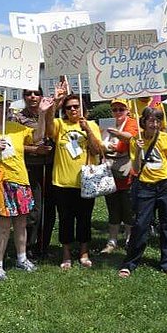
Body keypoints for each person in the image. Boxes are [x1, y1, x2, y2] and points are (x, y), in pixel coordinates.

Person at [0, 93, 51, 280]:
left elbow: (38, 137)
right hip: (0, 183)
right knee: (3, 225)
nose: (3, 107)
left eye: (5, 104)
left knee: (21, 223)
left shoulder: (17, 128)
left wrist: (41, 114)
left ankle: (21, 258)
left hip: (21, 181)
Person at [118, 107, 167, 278]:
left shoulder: (165, 138)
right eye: (151, 121)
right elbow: (137, 169)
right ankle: (130, 263)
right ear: (143, 122)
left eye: (157, 121)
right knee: (140, 225)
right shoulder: (135, 141)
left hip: (165, 185)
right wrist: (138, 150)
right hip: (145, 187)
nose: (154, 124)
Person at [46, 93, 103, 269]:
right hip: (62, 182)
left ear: (82, 108)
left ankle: (84, 252)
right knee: (65, 219)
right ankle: (66, 254)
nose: (72, 109)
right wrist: (54, 104)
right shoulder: (60, 124)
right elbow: (49, 128)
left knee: (85, 218)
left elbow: (97, 150)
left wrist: (88, 130)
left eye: (76, 106)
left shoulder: (91, 125)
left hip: (86, 181)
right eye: (69, 107)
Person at [14, 88, 54, 258]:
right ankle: (29, 245)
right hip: (29, 167)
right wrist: (35, 150)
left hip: (50, 166)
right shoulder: (17, 117)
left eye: (36, 93)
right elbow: (14, 145)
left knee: (48, 209)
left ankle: (44, 245)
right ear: (24, 97)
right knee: (33, 210)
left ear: (41, 96)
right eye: (28, 94)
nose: (32, 97)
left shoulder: (49, 113)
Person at [100, 98, 139, 254]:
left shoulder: (132, 123)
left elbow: (127, 142)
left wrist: (112, 143)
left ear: (127, 110)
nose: (117, 113)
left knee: (129, 208)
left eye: (121, 109)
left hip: (127, 172)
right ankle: (112, 241)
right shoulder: (106, 124)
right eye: (114, 109)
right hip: (109, 172)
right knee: (113, 208)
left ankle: (130, 239)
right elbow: (99, 143)